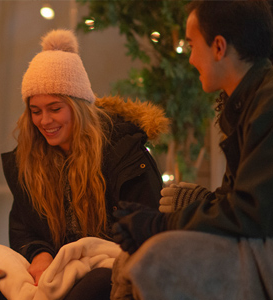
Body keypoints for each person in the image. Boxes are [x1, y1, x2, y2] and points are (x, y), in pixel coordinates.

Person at [0, 29, 165, 300]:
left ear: (78, 106)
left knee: (97, 283)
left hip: (105, 266)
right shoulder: (28, 160)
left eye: (55, 109)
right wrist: (39, 255)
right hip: (52, 271)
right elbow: (23, 230)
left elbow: (145, 232)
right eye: (35, 110)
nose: (44, 121)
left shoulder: (124, 153)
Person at [110, 1, 273, 299]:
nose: (190, 58)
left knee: (158, 255)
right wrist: (157, 220)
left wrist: (160, 225)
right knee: (132, 256)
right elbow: (236, 199)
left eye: (192, 44)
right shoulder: (248, 103)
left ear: (219, 47)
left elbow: (251, 212)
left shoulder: (267, 104)